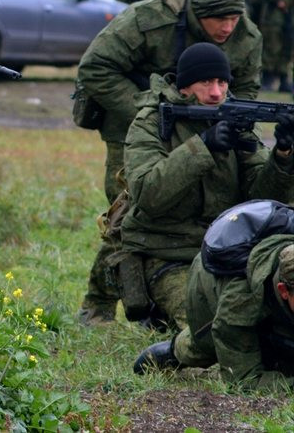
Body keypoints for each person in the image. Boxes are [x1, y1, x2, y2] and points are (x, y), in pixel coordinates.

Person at [74, 0, 263, 324]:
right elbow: (95, 68)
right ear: (197, 12)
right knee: (129, 213)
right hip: (134, 124)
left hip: (209, 128)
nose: (227, 28)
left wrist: (236, 125)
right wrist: (154, 111)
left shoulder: (246, 36)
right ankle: (98, 302)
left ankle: (166, 295)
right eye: (218, 20)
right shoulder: (148, 21)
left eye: (234, 19)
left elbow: (247, 90)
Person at [115, 43, 293, 330]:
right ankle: (158, 313)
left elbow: (262, 202)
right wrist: (203, 147)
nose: (216, 92)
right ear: (184, 87)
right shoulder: (149, 124)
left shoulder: (236, 121)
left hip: (228, 252)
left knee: (269, 319)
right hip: (168, 254)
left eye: (222, 82)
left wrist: (283, 156)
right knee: (208, 330)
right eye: (206, 82)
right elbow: (148, 194)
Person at [133, 229, 294, 391]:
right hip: (211, 300)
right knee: (205, 346)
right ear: (283, 290)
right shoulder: (239, 304)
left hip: (277, 310)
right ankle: (167, 354)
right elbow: (245, 381)